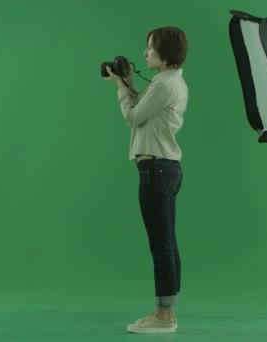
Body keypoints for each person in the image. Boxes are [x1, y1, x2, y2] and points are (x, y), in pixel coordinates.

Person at [103, 26, 188, 334]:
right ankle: (167, 311)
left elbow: (133, 117)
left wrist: (119, 88)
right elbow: (145, 109)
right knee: (167, 243)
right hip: (166, 168)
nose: (145, 53)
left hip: (156, 169)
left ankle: (164, 316)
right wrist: (129, 84)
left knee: (160, 244)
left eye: (150, 47)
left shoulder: (164, 84)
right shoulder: (169, 82)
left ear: (164, 50)